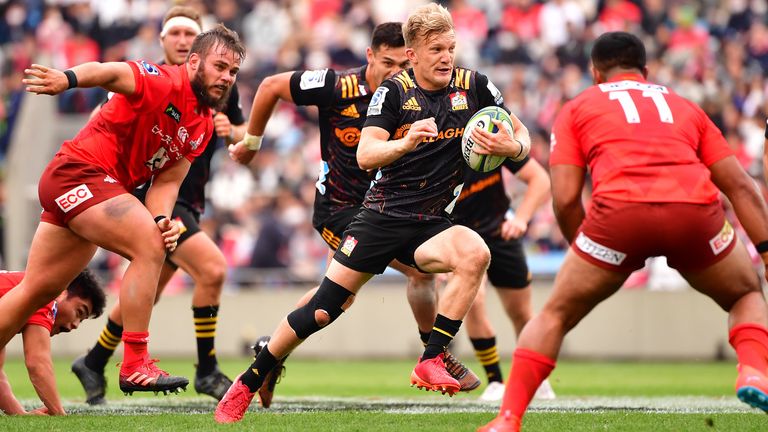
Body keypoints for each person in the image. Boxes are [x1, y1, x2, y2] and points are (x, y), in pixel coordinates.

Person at [216, 4, 530, 423]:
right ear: (414, 55)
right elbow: (366, 154)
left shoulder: (474, 86)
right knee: (325, 309)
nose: (446, 57)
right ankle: (250, 379)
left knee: (475, 253)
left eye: (450, 48)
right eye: (436, 49)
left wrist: (513, 148)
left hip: (430, 222)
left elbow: (519, 131)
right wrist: (404, 143)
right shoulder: (394, 92)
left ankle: (432, 356)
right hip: (379, 215)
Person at [479, 31, 768, 432]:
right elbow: (740, 187)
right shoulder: (685, 106)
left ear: (595, 72)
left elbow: (563, 198)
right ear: (645, 71)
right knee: (746, 292)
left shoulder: (578, 106)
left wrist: (588, 247)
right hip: (693, 213)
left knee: (555, 314)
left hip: (617, 218)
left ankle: (508, 419)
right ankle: (754, 370)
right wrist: (767, 254)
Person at [0, 24, 244, 397]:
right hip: (80, 173)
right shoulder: (163, 80)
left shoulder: (203, 125)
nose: (226, 77)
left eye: (233, 72)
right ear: (194, 61)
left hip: (90, 189)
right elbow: (111, 71)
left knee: (37, 290)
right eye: (220, 66)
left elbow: (165, 184)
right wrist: (67, 79)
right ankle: (134, 363)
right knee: (149, 245)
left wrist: (162, 219)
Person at [71, 6, 245, 405]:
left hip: (190, 197)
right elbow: (110, 111)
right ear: (165, 41)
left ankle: (94, 360)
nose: (182, 41)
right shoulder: (153, 80)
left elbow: (244, 141)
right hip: (159, 200)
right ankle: (207, 369)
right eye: (176, 34)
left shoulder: (219, 87)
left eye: (190, 33)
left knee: (147, 291)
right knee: (213, 269)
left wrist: (232, 130)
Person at [448, 155, 554, 402]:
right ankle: (495, 380)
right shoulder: (435, 149)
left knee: (521, 313)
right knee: (474, 302)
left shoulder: (487, 138)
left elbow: (540, 179)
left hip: (500, 233)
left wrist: (521, 218)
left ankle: (537, 377)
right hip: (460, 238)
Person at [0, 270, 105, 415]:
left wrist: (20, 415)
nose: (75, 325)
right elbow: (38, 363)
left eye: (81, 320)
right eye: (79, 312)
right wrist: (59, 414)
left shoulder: (20, 289)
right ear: (62, 292)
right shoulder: (45, 293)